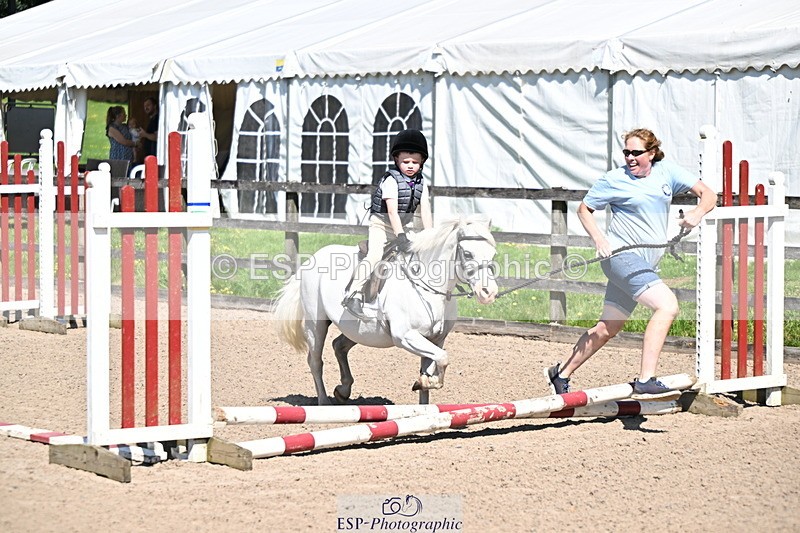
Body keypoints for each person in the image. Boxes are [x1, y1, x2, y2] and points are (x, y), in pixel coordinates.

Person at [544, 128, 716, 399]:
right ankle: (646, 379)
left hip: (645, 263)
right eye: (626, 152)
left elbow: (708, 194)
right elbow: (584, 209)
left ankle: (560, 373)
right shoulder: (613, 179)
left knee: (607, 328)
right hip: (621, 258)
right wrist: (600, 240)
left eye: (636, 152)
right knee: (667, 305)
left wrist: (697, 212)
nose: (630, 158)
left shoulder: (666, 172)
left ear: (652, 153)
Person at [343, 129, 433, 319]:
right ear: (396, 160)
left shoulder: (421, 183)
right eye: (405, 162)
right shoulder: (391, 181)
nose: (410, 166)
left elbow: (424, 209)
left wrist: (431, 235)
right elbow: (392, 211)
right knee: (375, 256)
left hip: (404, 226)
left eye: (415, 162)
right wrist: (400, 236)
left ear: (422, 162)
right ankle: (354, 294)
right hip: (382, 225)